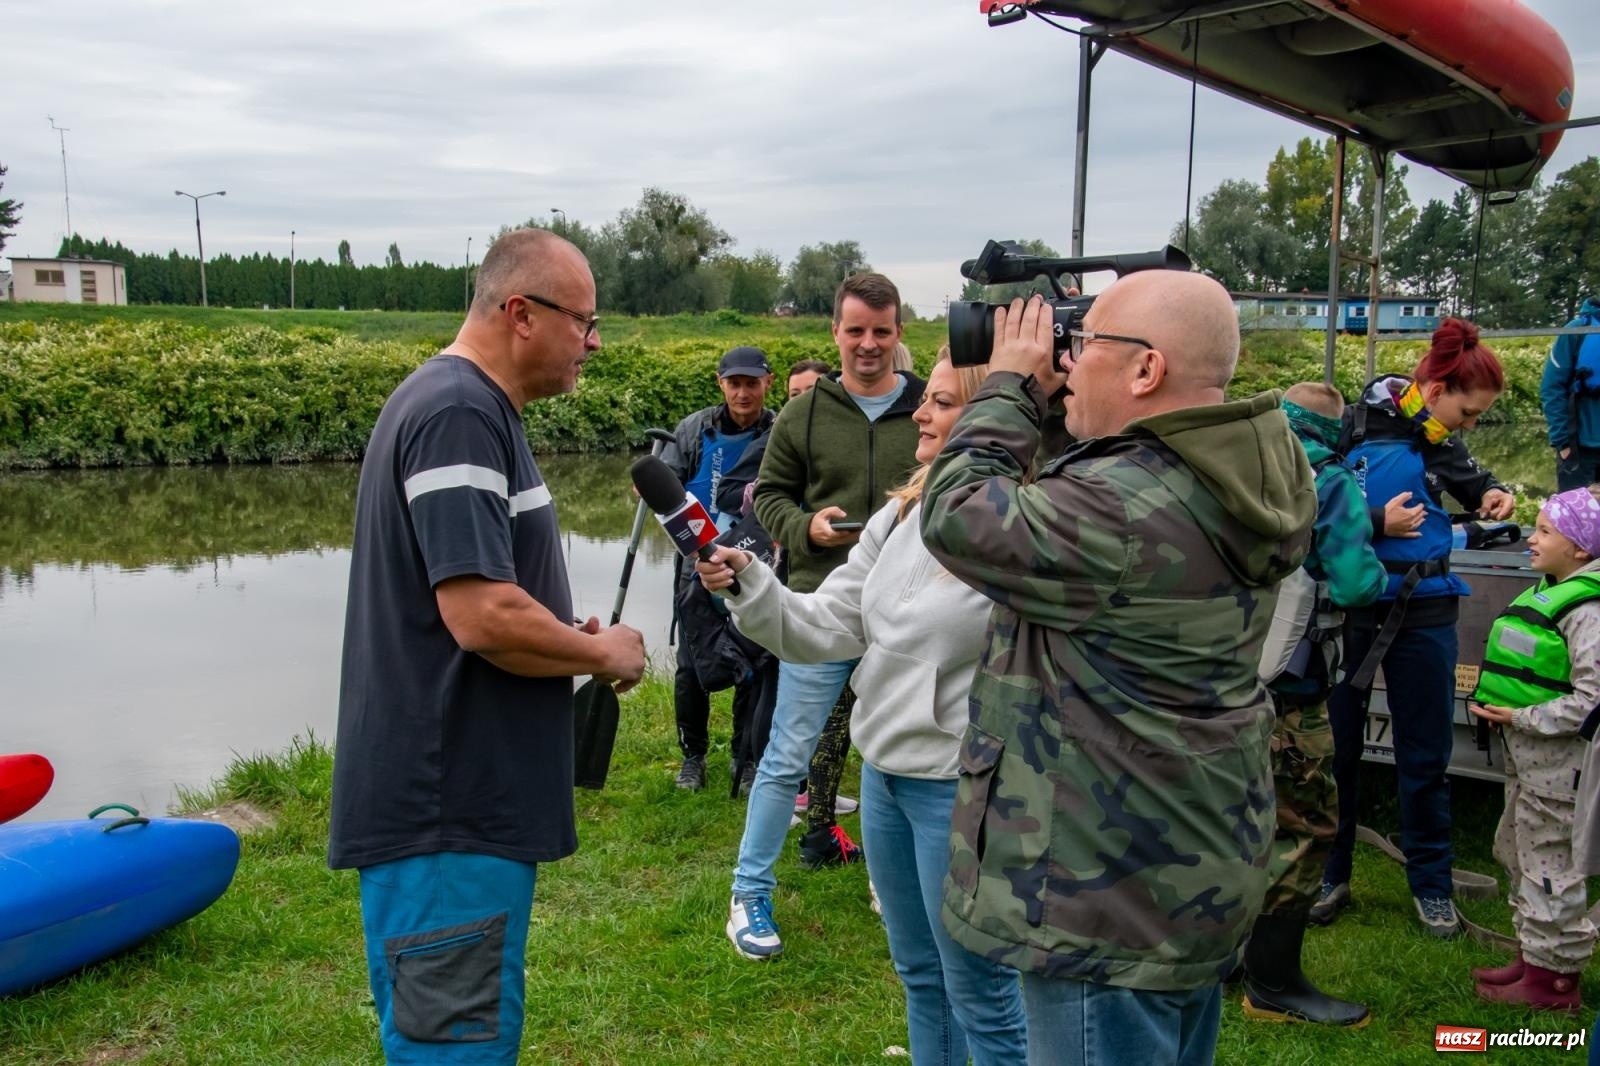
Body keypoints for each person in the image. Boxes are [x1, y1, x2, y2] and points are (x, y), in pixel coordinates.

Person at [920, 275, 1317, 1066]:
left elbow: (957, 511)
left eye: (1086, 342)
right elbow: (1102, 474)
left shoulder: (1117, 510)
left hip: (1100, 895)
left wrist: (1006, 388)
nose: (1066, 357)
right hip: (1186, 866)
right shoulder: (1239, 470)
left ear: (1146, 370)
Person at [328, 228, 646, 1065]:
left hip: (465, 806)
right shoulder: (459, 412)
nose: (594, 341)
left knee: (464, 1036)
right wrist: (601, 654)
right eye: (584, 320)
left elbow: (486, 599)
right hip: (447, 810)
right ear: (521, 313)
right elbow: (479, 616)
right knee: (454, 1048)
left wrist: (558, 631)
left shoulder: (469, 408)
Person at [697, 349, 1028, 1064]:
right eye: (927, 399)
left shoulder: (1022, 527)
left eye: (940, 401)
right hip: (884, 781)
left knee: (985, 997)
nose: (920, 412)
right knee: (921, 977)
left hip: (963, 789)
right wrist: (750, 582)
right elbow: (823, 626)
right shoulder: (901, 517)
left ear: (993, 414)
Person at [727, 272, 925, 959]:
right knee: (787, 755)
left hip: (908, 612)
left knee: (906, 758)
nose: (867, 344)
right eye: (854, 330)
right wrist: (804, 528)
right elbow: (768, 495)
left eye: (881, 330)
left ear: (899, 332)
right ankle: (748, 893)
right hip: (822, 603)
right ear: (835, 334)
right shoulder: (806, 415)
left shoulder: (930, 408)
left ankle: (905, 892)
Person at [1314, 319, 1516, 938]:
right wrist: (1376, 522)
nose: (1470, 424)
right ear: (1435, 389)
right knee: (1339, 754)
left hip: (1427, 611)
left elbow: (1472, 477)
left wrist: (1496, 492)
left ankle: (1431, 886)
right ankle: (1331, 873)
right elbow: (1312, 502)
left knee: (1424, 757)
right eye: (1469, 410)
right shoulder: (1354, 427)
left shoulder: (1439, 438)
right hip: (1357, 608)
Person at [1241, 382, 1385, 1029]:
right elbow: (1357, 584)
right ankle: (1273, 983)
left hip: (1220, 682)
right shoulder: (1328, 481)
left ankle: (1220, 959)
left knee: (1232, 822)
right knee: (1304, 826)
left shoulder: (1237, 463)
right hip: (1293, 691)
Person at [1467, 485, 1600, 1011]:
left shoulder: (1588, 611)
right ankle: (1534, 955)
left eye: (1545, 531)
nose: (1531, 540)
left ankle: (1556, 982)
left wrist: (1520, 716)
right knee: (1522, 853)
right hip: (1531, 762)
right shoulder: (1552, 587)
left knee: (1553, 866)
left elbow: (1593, 700)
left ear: (1582, 549)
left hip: (1561, 767)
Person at [661, 345, 776, 792]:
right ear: (720, 383)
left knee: (754, 662)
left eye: (752, 383)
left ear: (767, 382)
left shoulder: (781, 429)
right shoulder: (693, 429)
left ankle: (745, 759)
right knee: (691, 667)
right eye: (735, 383)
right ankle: (693, 757)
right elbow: (665, 491)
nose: (743, 392)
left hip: (755, 562)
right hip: (696, 561)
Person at [1543, 295, 1600, 492]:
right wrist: (1562, 443)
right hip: (1579, 452)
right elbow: (1552, 387)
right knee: (1573, 520)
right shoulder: (1577, 330)